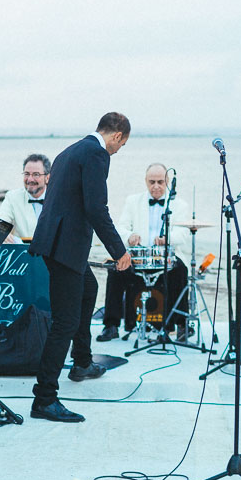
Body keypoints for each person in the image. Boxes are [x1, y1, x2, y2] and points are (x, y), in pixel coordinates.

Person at [28, 113, 133, 422]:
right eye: (122, 145)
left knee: (90, 288)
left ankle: (82, 361)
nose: (118, 150)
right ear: (116, 136)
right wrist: (119, 251)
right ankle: (45, 399)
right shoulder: (97, 154)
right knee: (64, 322)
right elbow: (96, 208)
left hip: (55, 242)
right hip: (65, 248)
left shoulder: (70, 151)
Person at [97, 163, 191, 342]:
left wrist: (167, 239)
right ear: (145, 182)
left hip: (166, 257)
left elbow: (184, 234)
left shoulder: (179, 205)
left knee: (181, 270)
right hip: (138, 256)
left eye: (160, 182)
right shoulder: (133, 201)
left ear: (168, 182)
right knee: (115, 269)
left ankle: (182, 325)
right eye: (152, 182)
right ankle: (111, 325)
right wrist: (130, 236)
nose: (156, 186)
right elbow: (121, 227)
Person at [0, 153, 50, 242]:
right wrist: (2, 232)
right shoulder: (12, 197)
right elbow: (0, 221)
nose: (30, 179)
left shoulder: (58, 197)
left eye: (36, 174)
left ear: (47, 178)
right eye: (27, 174)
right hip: (21, 252)